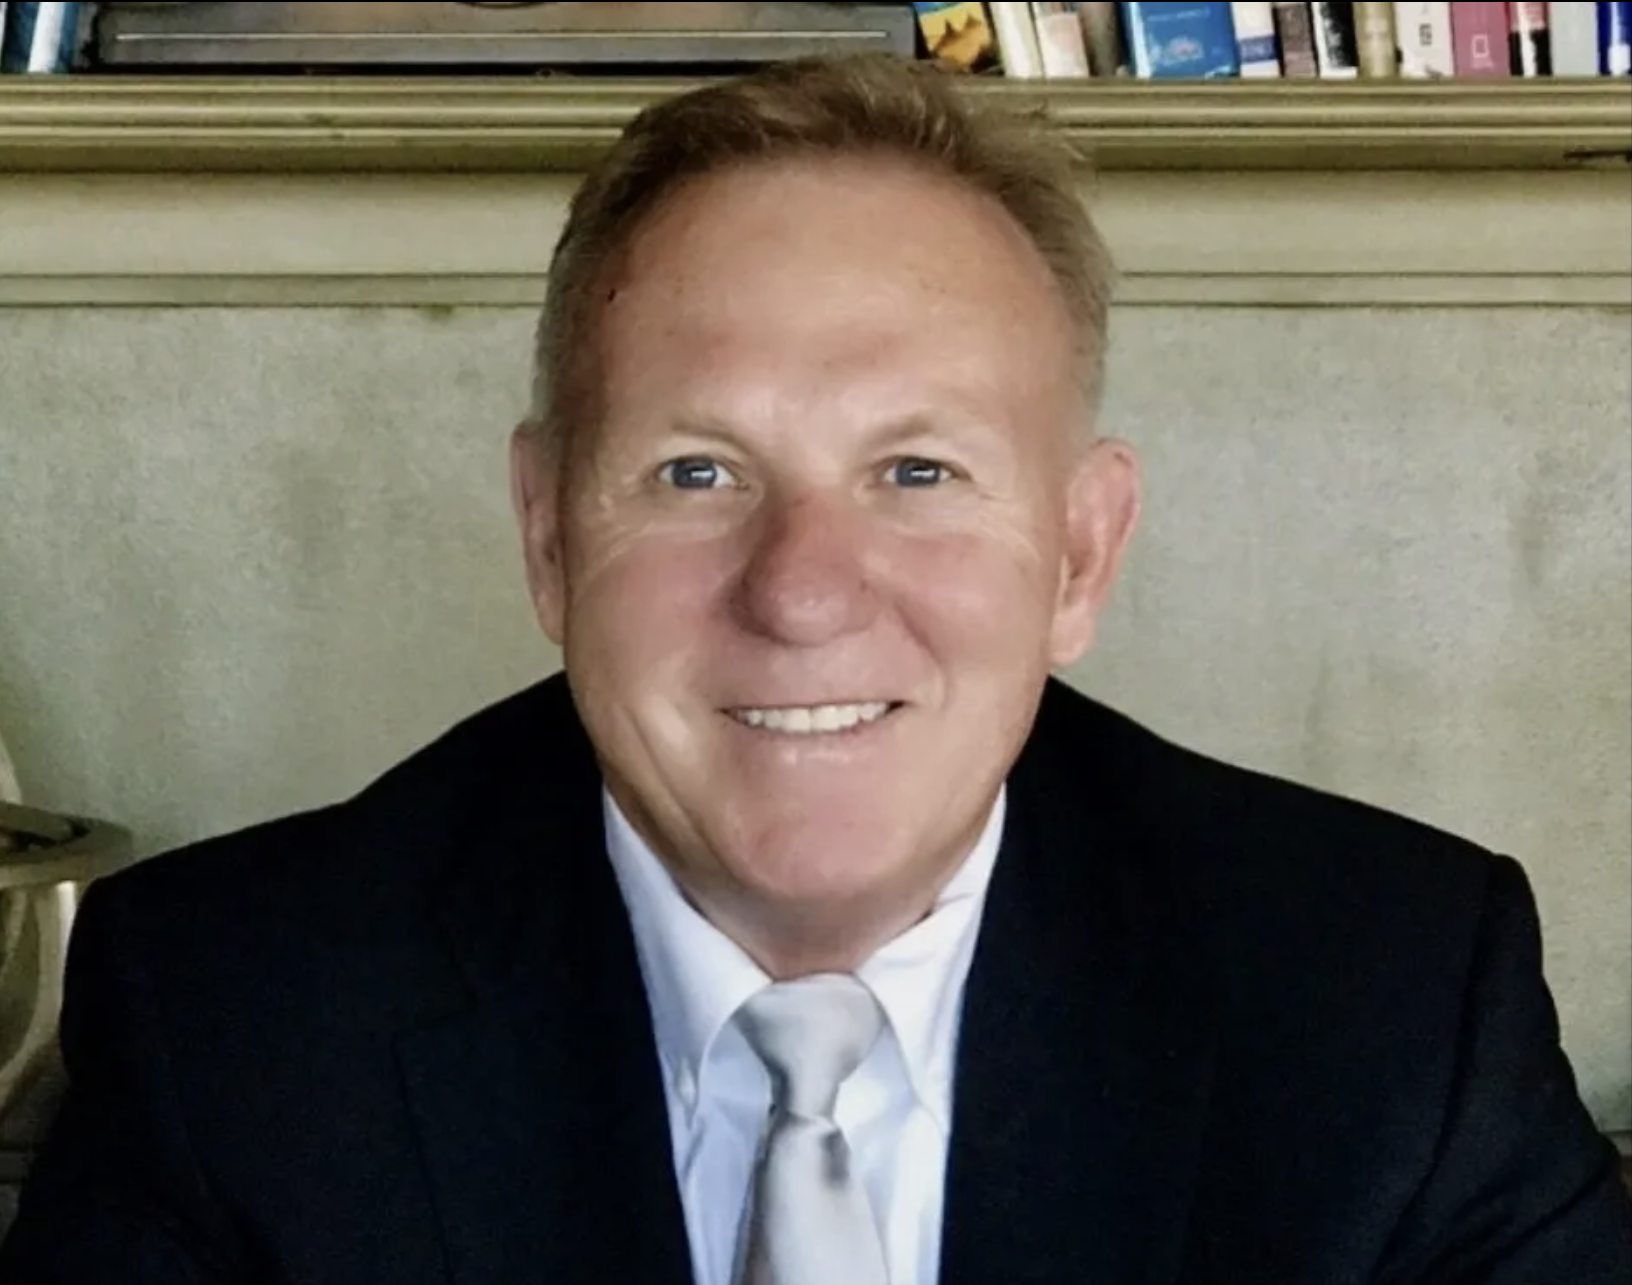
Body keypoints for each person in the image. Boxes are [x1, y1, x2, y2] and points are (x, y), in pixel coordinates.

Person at [1, 51, 1627, 1285]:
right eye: (697, 473)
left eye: (918, 473)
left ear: (1079, 555)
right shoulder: (237, 1020)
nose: (803, 592)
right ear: (549, 541)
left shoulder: (1393, 1004)